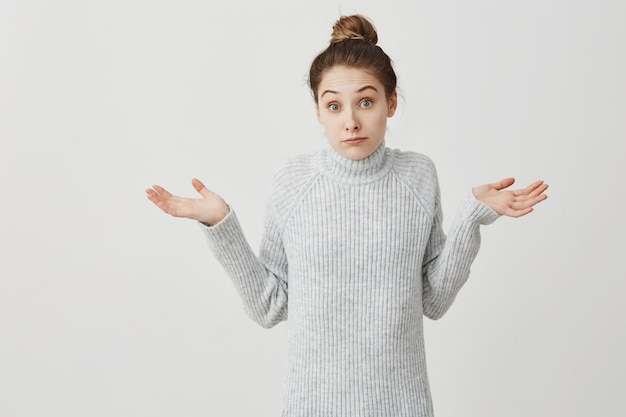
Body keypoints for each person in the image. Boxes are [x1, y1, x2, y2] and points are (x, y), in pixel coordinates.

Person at [146, 14, 548, 417]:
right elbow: (269, 307)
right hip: (312, 406)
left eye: (366, 102)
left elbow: (434, 299)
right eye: (334, 105)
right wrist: (221, 226)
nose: (351, 121)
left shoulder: (418, 176)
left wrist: (471, 218)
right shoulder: (292, 181)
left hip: (402, 405)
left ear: (391, 103)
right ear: (318, 111)